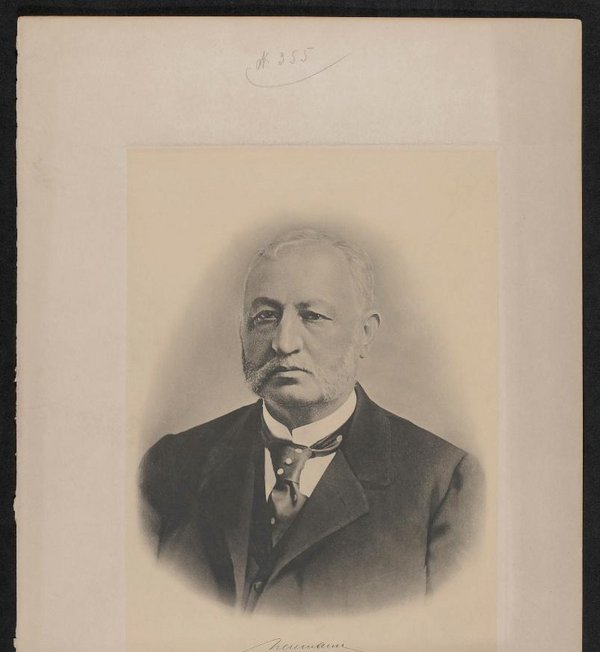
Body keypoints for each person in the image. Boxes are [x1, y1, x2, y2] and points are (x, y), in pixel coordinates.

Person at [140, 228, 483, 616]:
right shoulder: (169, 467)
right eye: (266, 317)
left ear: (364, 334)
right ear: (242, 332)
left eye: (313, 316)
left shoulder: (444, 483)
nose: (284, 343)